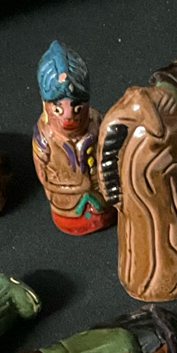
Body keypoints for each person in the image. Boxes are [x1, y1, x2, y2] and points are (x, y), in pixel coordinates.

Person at [33, 40, 110, 234]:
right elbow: (41, 169)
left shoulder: (98, 124)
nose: (69, 117)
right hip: (65, 203)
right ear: (46, 106)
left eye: (77, 108)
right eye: (58, 109)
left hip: (102, 198)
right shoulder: (44, 137)